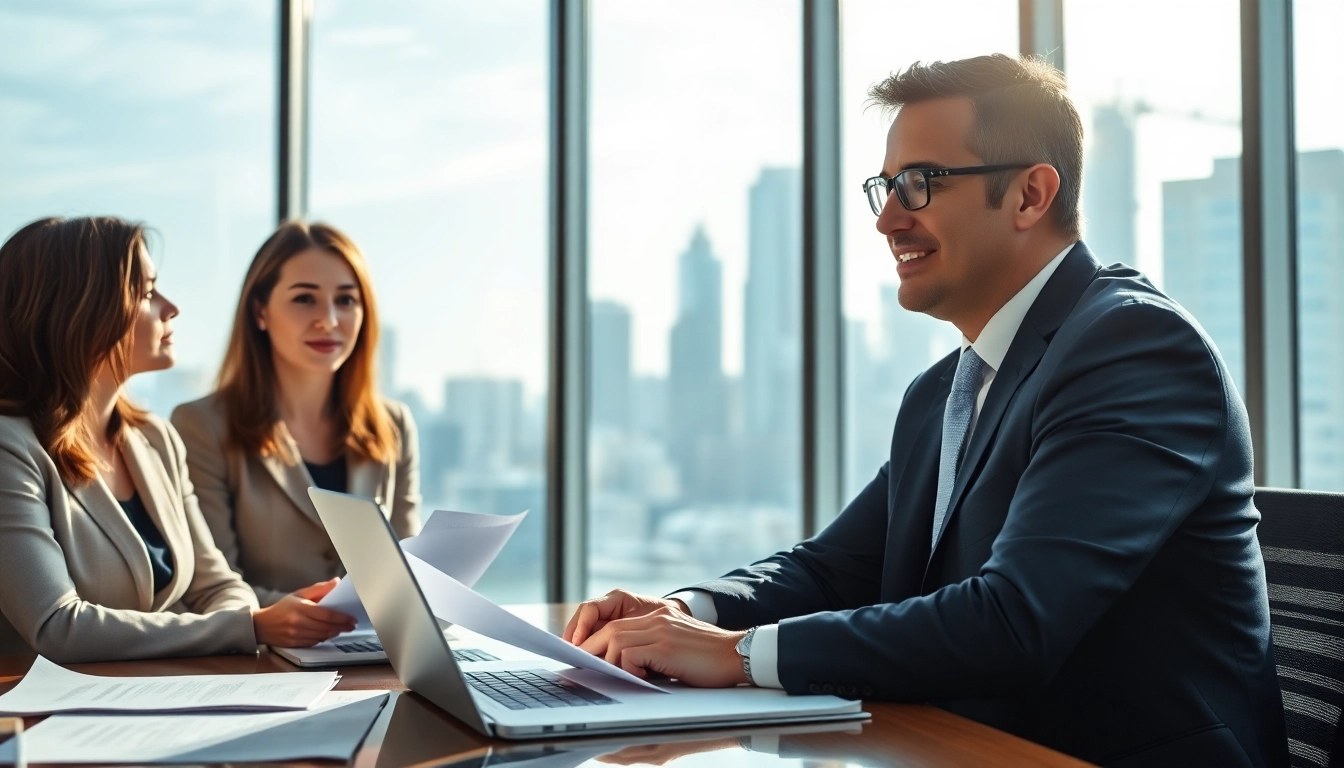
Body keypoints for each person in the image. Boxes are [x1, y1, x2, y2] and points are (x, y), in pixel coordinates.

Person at [563, 55, 1289, 767]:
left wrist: (741, 656)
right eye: (885, 186)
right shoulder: (946, 389)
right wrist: (689, 613)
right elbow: (834, 567)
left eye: (920, 184)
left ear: (1031, 195)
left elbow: (1014, 619)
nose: (887, 221)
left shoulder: (1135, 347)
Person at [0, 216, 358, 661]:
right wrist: (249, 625)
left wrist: (247, 622)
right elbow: (57, 627)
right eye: (147, 293)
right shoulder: (10, 447)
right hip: (46, 718)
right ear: (78, 309)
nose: (171, 307)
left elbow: (219, 585)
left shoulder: (154, 439)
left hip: (165, 699)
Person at [172, 221, 421, 607]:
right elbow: (208, 588)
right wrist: (295, 617)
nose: (329, 320)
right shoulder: (201, 426)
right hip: (263, 659)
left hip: (375, 656)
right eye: (305, 299)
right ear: (260, 311)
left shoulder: (394, 425)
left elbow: (412, 576)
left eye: (346, 300)